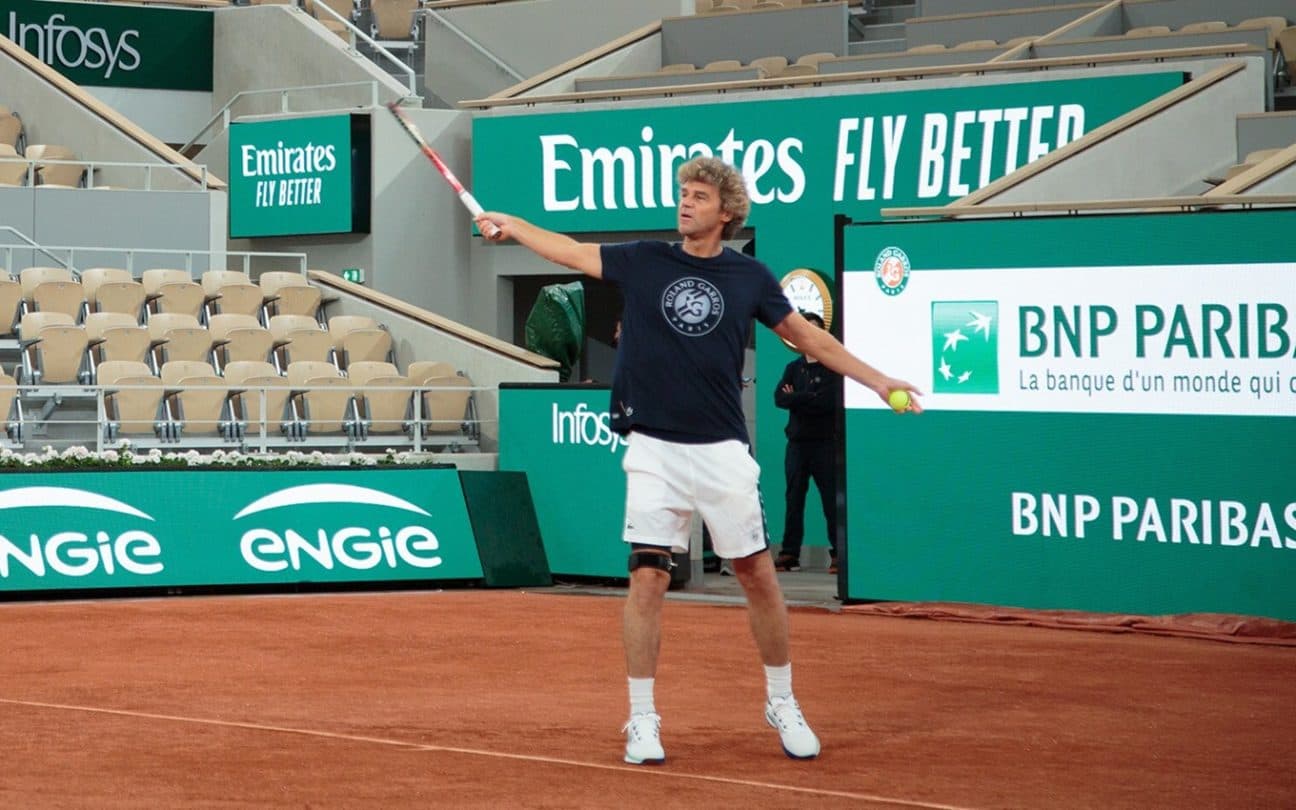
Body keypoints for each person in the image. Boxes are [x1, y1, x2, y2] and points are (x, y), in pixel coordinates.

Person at [476, 156, 921, 766]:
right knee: (648, 578)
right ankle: (641, 719)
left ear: (727, 212)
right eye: (683, 192)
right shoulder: (644, 259)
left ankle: (782, 700)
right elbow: (570, 252)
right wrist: (515, 225)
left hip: (722, 450)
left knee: (757, 576)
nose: (685, 203)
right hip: (654, 447)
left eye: (699, 196)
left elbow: (809, 339)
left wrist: (875, 380)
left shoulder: (750, 278)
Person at [773, 312, 842, 574]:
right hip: (797, 445)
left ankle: (838, 554)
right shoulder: (793, 368)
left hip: (825, 444)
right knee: (793, 499)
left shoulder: (832, 367)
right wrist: (807, 397)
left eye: (814, 330)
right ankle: (790, 554)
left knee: (831, 501)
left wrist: (797, 398)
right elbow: (779, 398)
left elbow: (826, 403)